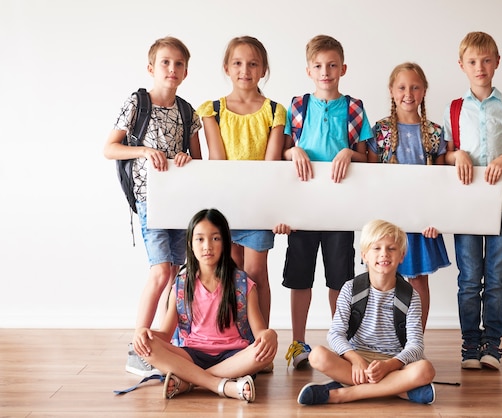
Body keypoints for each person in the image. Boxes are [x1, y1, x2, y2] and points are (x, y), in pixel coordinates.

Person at [103, 36, 202, 377]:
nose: (171, 69)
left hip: (180, 204)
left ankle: (159, 346)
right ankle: (137, 348)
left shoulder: (188, 111)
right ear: (151, 68)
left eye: (178, 64)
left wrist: (187, 158)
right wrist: (143, 150)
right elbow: (110, 148)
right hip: (151, 202)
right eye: (165, 62)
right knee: (160, 271)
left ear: (186, 72)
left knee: (175, 276)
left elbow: (199, 162)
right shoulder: (137, 103)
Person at [281, 35, 373, 369]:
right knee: (300, 278)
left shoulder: (354, 107)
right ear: (308, 70)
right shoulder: (297, 105)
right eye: (319, 66)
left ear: (343, 68)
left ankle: (339, 342)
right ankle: (297, 343)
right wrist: (294, 150)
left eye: (332, 65)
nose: (326, 71)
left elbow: (367, 158)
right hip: (303, 208)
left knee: (340, 279)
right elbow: (281, 152)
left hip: (340, 210)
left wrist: (349, 152)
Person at [443, 31, 502, 370]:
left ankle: (492, 345)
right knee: (469, 279)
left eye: (486, 60)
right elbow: (445, 155)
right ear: (462, 66)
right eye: (472, 62)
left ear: (496, 63)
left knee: (495, 277)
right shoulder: (454, 109)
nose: (480, 67)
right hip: (466, 207)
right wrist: (458, 156)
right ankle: (469, 346)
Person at [132, 208, 278, 402]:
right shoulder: (181, 285)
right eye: (200, 239)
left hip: (233, 356)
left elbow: (259, 333)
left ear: (225, 243)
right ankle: (223, 385)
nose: (207, 246)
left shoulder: (243, 284)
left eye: (215, 239)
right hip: (192, 354)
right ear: (190, 245)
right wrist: (143, 333)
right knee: (146, 345)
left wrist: (269, 335)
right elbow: (166, 334)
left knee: (264, 353)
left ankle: (190, 380)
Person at [197, 36, 286, 330]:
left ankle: (262, 342)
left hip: (259, 204)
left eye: (252, 64)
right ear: (226, 67)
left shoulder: (275, 111)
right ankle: (236, 339)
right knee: (232, 273)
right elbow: (217, 159)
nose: (244, 70)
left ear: (263, 70)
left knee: (256, 272)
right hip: (225, 203)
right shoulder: (212, 110)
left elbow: (270, 164)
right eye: (237, 63)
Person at [297, 219, 436, 405]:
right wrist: (356, 360)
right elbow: (335, 334)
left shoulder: (411, 296)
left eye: (391, 249)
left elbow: (415, 346)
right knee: (317, 356)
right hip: (357, 359)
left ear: (402, 255)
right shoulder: (350, 289)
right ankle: (399, 391)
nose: (384, 254)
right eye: (376, 248)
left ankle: (344, 393)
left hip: (394, 362)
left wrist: (388, 366)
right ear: (364, 256)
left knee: (425, 369)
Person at [368, 62, 451, 330]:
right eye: (402, 87)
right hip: (387, 222)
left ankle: (416, 340)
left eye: (415, 87)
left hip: (420, 222)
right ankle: (383, 339)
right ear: (392, 91)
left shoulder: (435, 133)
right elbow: (368, 176)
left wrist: (436, 217)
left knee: (416, 282)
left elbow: (441, 182)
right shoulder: (380, 131)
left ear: (424, 91)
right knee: (382, 280)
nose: (408, 93)